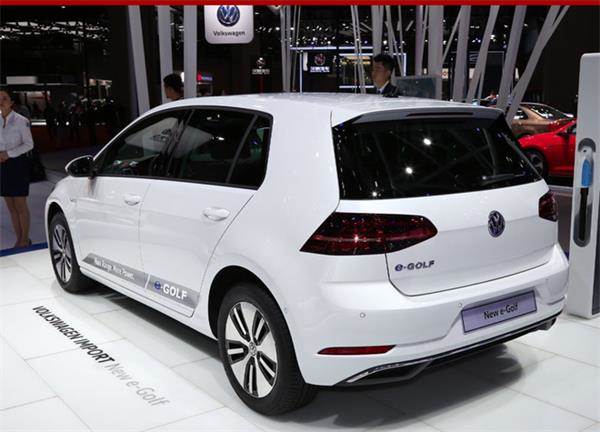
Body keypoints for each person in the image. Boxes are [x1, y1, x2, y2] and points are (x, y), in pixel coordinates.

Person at [0, 89, 34, 248]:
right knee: (11, 207)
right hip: (2, 165)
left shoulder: (21, 120)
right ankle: (18, 239)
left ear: (11, 102)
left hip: (17, 164)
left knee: (20, 205)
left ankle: (25, 240)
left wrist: (9, 154)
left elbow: (29, 144)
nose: (1, 101)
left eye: (4, 98)